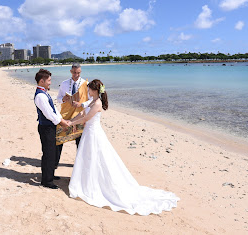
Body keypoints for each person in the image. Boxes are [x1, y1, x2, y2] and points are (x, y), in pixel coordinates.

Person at [67, 79, 179, 215]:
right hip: (89, 133)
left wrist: (72, 124)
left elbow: (86, 119)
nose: (88, 91)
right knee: (89, 158)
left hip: (94, 133)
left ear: (95, 90)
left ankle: (95, 184)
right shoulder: (91, 101)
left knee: (97, 158)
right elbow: (82, 114)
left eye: (89, 89)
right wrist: (70, 121)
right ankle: (88, 182)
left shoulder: (97, 103)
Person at [34, 69, 69, 189]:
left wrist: (61, 120)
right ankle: (46, 181)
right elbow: (49, 114)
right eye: (48, 80)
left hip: (50, 126)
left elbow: (54, 109)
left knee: (53, 152)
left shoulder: (44, 93)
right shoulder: (40, 96)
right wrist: (62, 122)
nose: (50, 82)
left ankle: (50, 175)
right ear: (42, 81)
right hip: (46, 128)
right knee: (48, 154)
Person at [56, 63, 92, 169]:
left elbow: (91, 100)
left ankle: (80, 165)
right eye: (74, 72)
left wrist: (82, 104)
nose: (76, 75)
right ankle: (54, 164)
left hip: (80, 115)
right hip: (66, 114)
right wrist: (63, 99)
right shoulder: (64, 84)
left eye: (78, 73)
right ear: (71, 71)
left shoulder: (86, 84)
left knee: (79, 141)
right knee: (59, 138)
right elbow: (58, 98)